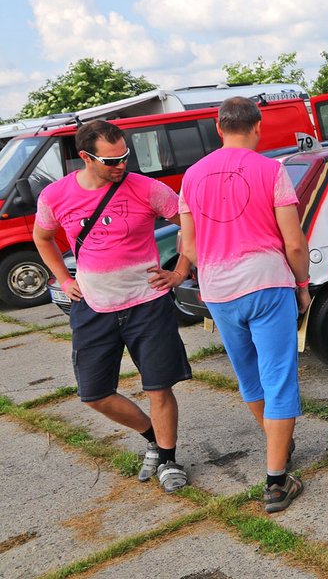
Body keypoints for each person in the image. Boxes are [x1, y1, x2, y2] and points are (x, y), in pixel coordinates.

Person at [32, 120, 192, 493]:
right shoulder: (56, 196)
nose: (122, 164)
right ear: (86, 157)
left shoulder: (147, 189)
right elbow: (42, 237)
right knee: (94, 394)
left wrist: (181, 270)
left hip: (147, 304)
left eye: (125, 155)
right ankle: (153, 436)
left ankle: (168, 459)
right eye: (112, 159)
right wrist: (64, 278)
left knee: (159, 388)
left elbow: (189, 223)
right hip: (93, 306)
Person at [178, 96, 310, 514]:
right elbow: (293, 241)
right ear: (258, 127)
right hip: (268, 283)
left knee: (250, 377)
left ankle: (279, 446)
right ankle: (275, 482)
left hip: (218, 291)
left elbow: (189, 246)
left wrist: (217, 269)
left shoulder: (191, 176)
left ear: (219, 128)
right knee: (280, 376)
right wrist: (302, 284)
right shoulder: (272, 170)